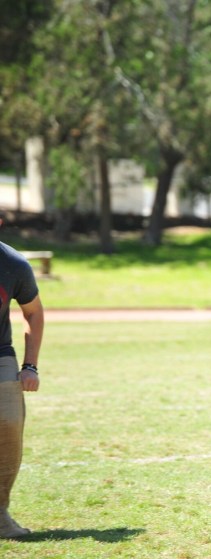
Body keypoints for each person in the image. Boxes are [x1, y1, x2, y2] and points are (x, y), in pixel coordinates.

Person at [0, 218, 45, 538]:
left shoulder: (13, 264)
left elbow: (34, 312)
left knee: (10, 425)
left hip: (0, 354)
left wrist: (30, 366)